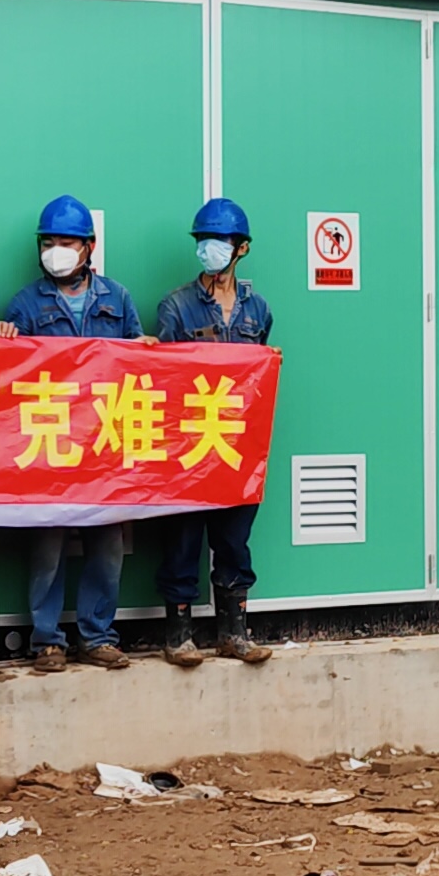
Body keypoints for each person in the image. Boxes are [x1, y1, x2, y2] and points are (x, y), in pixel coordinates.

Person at [1, 193, 141, 673]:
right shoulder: (25, 303)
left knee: (107, 547)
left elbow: (137, 362)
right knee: (48, 545)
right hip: (50, 442)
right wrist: (5, 341)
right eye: (49, 243)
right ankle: (47, 640)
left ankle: (97, 636)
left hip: (104, 442)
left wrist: (145, 349)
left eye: (67, 242)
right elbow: (8, 375)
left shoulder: (117, 298)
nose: (56, 251)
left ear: (89, 247)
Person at [154, 195, 277, 666]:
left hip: (237, 449)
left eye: (220, 240)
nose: (211, 249)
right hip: (189, 447)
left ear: (241, 247)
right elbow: (164, 376)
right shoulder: (176, 307)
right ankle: (179, 636)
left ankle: (234, 633)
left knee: (233, 542)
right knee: (183, 541)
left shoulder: (257, 310)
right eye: (204, 240)